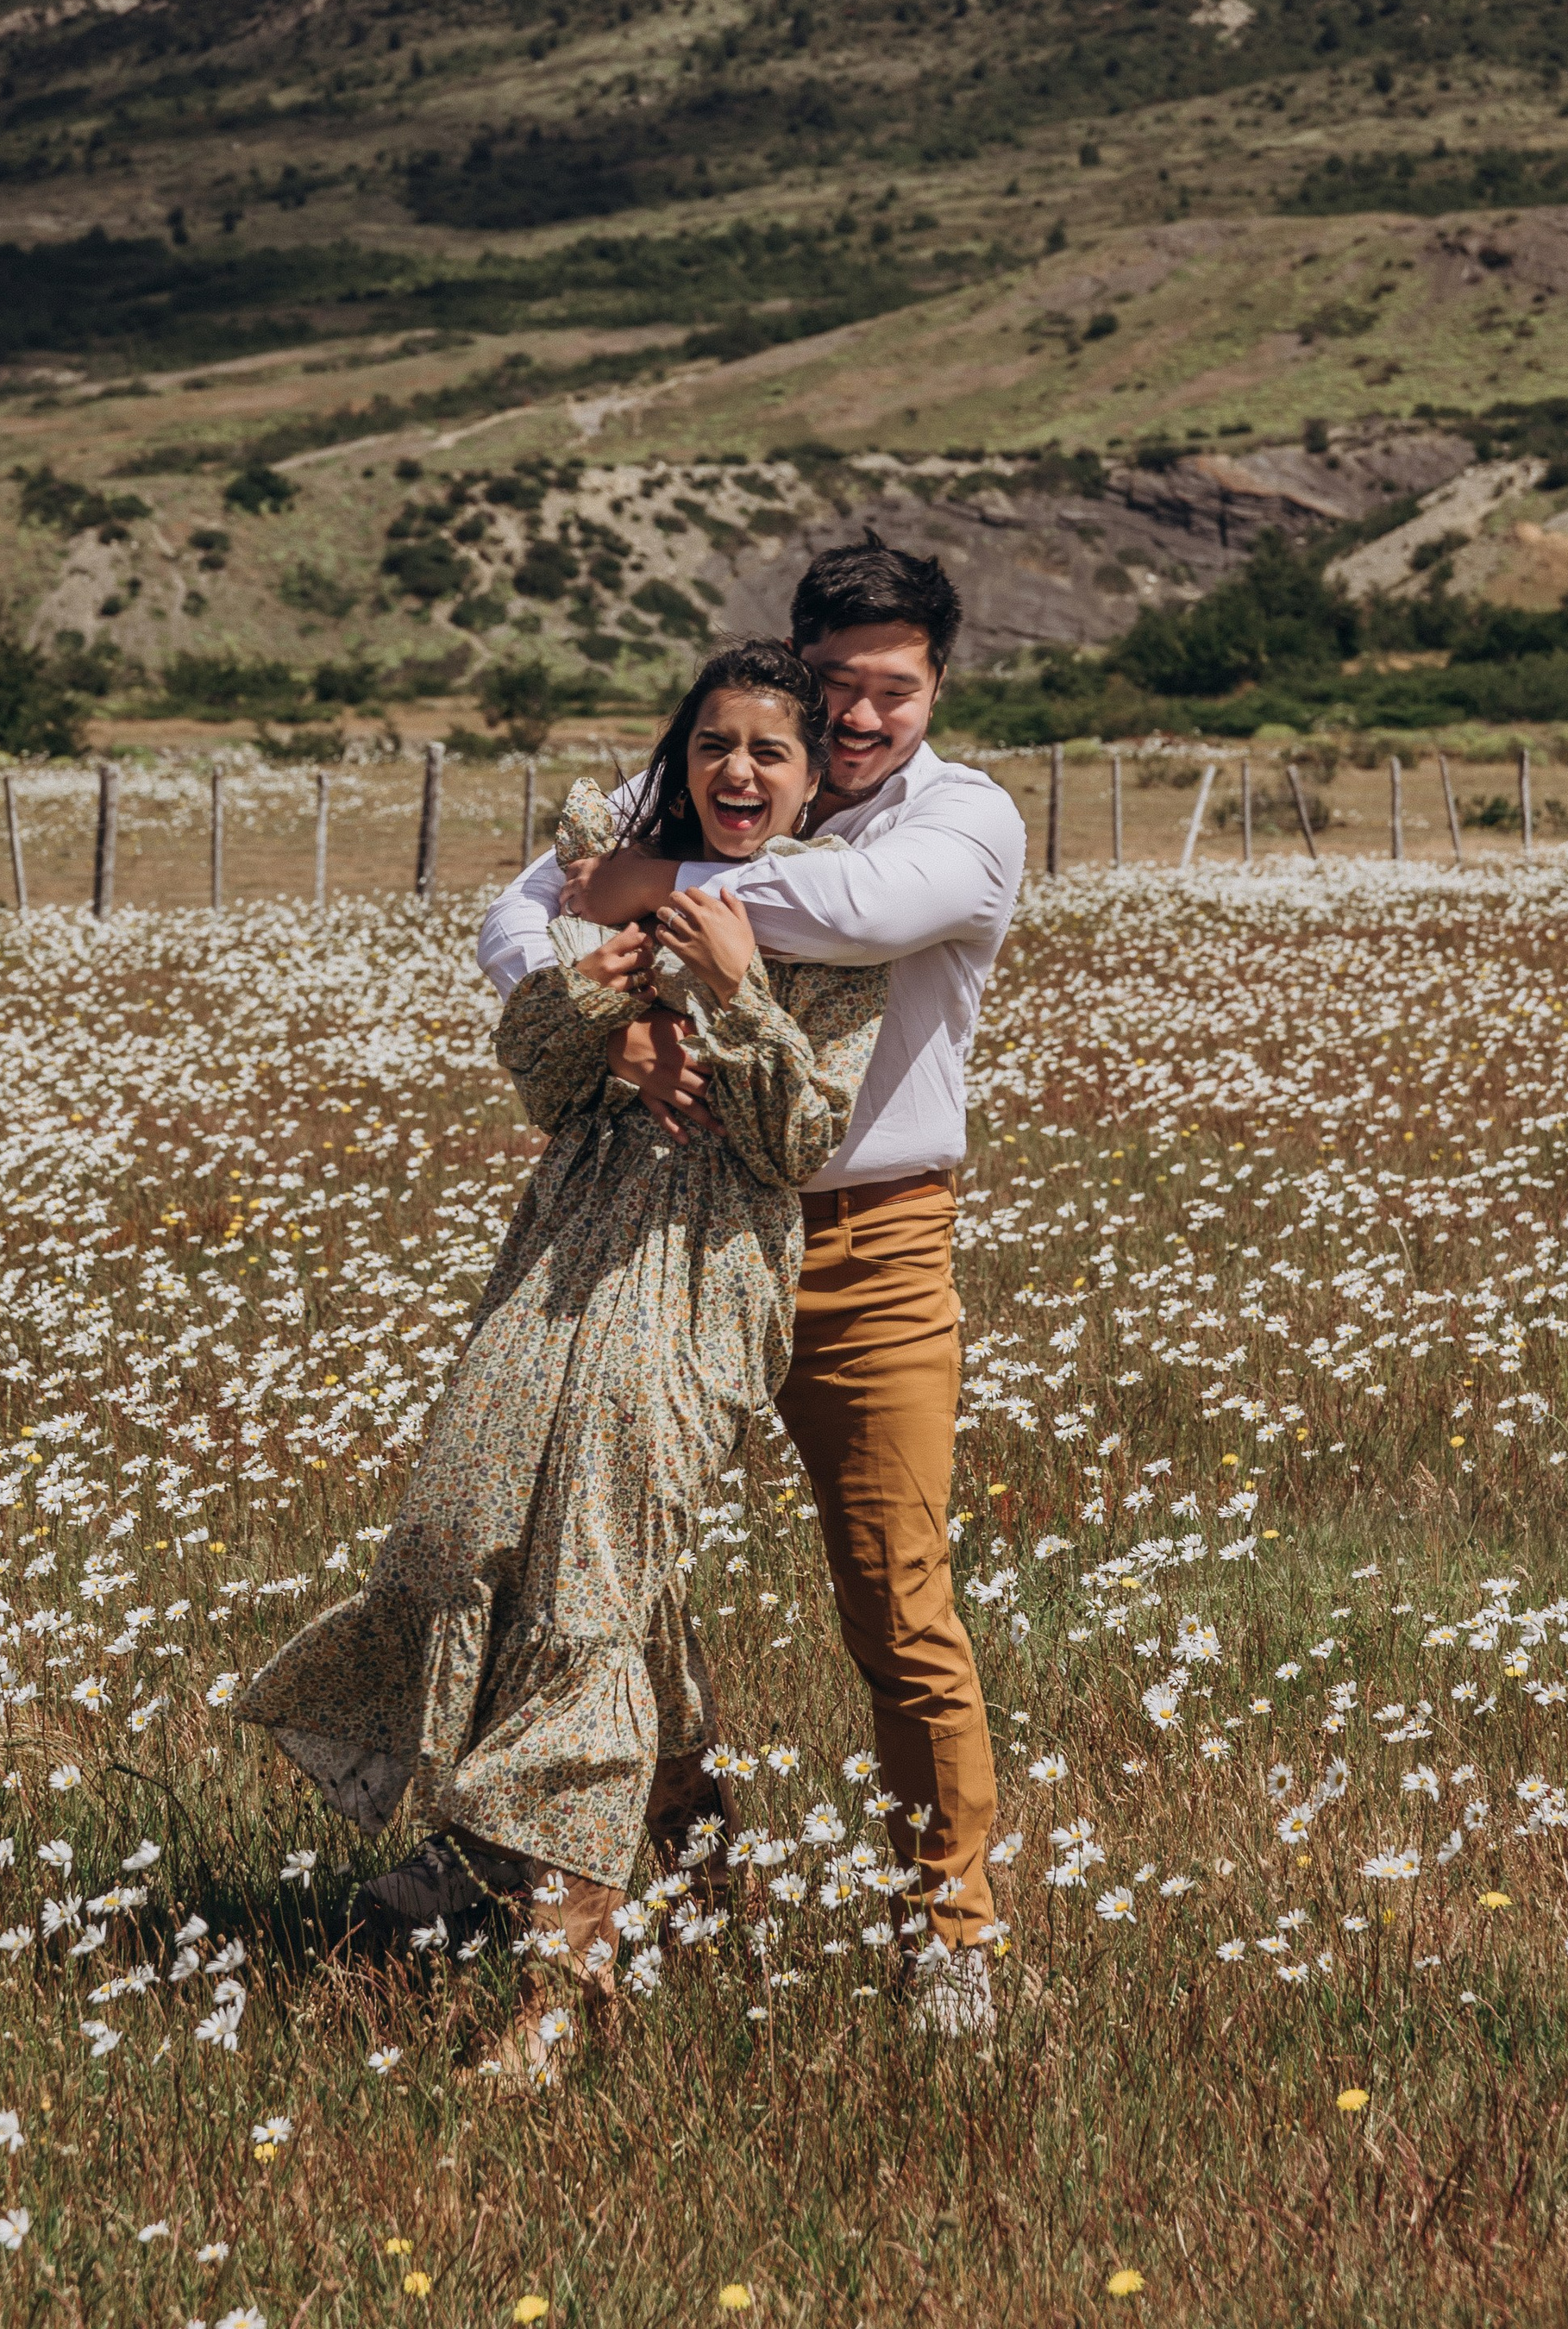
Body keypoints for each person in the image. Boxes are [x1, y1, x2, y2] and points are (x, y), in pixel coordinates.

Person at [237, 641, 887, 2084]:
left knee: (593, 1574)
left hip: (705, 1268)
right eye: (715, 745)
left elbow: (799, 1143)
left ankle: (559, 1986)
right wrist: (596, 1001)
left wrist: (740, 996)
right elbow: (538, 1076)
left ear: (809, 781)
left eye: (771, 753)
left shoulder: (840, 941)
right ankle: (686, 1843)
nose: (739, 772)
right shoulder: (626, 894)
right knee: (459, 1536)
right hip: (565, 1236)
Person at [478, 538, 1027, 2035]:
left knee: (897, 1596)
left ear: (936, 688)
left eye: (892, 692)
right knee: (601, 1557)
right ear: (796, 666)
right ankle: (663, 1852)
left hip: (868, 1242)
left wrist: (642, 885)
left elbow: (844, 915)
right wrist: (603, 1026)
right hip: (689, 1231)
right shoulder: (733, 767)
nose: (859, 721)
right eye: (835, 688)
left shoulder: (965, 819)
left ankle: (951, 1932)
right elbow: (514, 915)